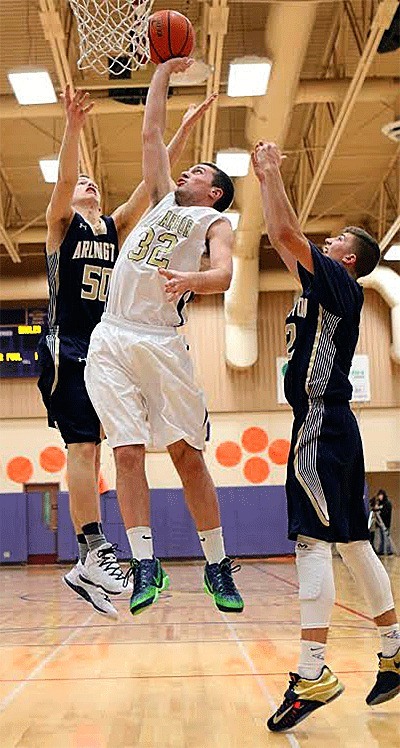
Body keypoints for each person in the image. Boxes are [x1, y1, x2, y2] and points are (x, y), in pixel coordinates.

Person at [38, 83, 216, 619]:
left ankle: (92, 562)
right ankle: (91, 548)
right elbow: (67, 178)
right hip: (65, 347)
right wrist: (72, 126)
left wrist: (182, 129)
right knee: (84, 447)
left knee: (119, 449)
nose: (87, 184)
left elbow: (154, 182)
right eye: (81, 185)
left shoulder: (113, 230)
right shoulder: (61, 227)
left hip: (106, 351)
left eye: (94, 182)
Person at [85, 57, 244, 617]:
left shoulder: (215, 223)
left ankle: (218, 565)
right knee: (126, 453)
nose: (186, 173)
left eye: (199, 171)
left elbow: (224, 275)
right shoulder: (157, 198)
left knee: (186, 456)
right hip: (111, 338)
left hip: (161, 341)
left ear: (216, 193)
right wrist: (163, 69)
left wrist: (189, 278)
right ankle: (145, 563)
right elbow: (151, 130)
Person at [251, 141, 400, 731]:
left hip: (317, 421)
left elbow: (287, 234)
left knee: (312, 543)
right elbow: (279, 235)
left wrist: (270, 172)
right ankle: (393, 648)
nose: (327, 242)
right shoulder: (323, 288)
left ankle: (313, 670)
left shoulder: (340, 285)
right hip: (337, 425)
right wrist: (266, 184)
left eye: (337, 240)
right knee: (355, 542)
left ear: (350, 260)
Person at [376, 489, 393, 555]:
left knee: (386, 537)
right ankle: (381, 550)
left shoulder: (387, 503)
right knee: (382, 538)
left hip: (385, 523)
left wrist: (379, 510)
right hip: (380, 524)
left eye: (381, 495)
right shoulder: (380, 503)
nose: (379, 497)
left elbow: (385, 513)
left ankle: (389, 550)